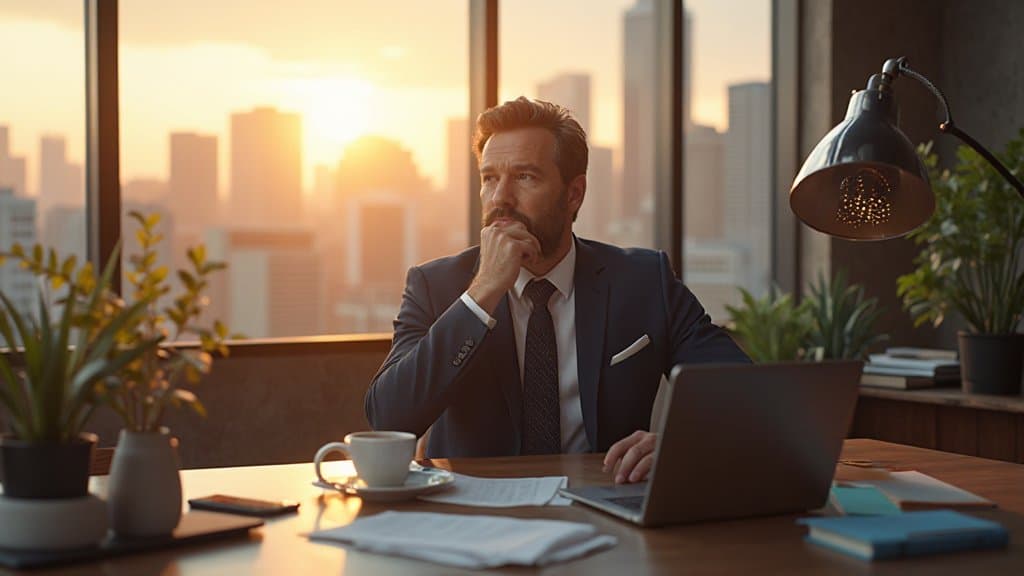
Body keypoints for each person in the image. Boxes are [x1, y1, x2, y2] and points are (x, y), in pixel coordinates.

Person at [365, 97, 749, 483]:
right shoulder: (436, 285)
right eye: (489, 178)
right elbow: (389, 416)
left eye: (525, 177)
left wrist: (678, 444)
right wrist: (481, 294)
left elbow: (745, 397)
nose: (500, 197)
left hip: (606, 511)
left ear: (574, 194)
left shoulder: (645, 281)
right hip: (478, 516)